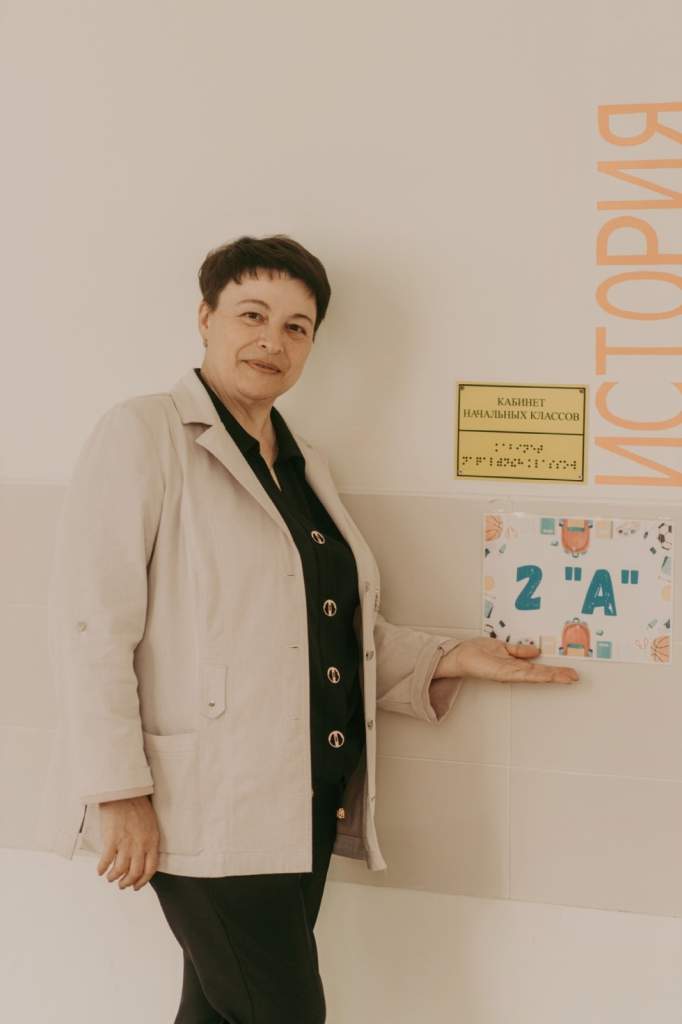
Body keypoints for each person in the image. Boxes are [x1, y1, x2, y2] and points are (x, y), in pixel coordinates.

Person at [45, 234, 579, 1023]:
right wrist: (117, 789)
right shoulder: (144, 434)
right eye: (252, 315)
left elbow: (322, 633)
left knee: (221, 1011)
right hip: (204, 801)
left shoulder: (303, 465)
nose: (273, 340)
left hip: (299, 801)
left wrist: (451, 656)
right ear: (205, 318)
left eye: (296, 326)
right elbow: (91, 624)